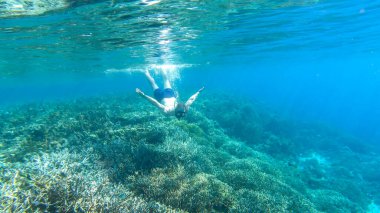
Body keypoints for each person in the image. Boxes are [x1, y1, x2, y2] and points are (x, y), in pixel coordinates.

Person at [136, 69, 204, 119]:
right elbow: (191, 100)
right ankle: (162, 66)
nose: (178, 105)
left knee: (153, 83)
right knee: (166, 79)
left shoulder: (167, 111)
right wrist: (198, 92)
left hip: (160, 97)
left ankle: (146, 71)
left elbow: (155, 102)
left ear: (176, 110)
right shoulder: (184, 108)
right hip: (171, 95)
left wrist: (143, 96)